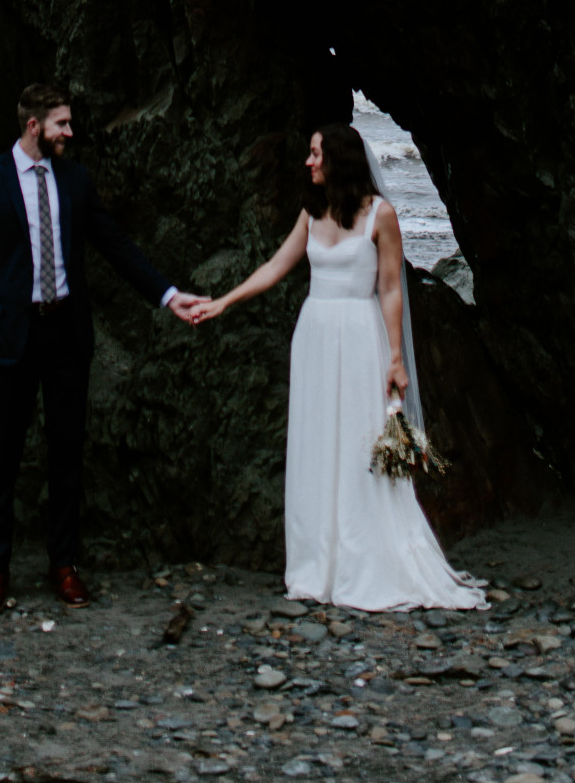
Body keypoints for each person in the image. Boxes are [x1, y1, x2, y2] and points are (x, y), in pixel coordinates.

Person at [193, 121, 486, 612]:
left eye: (315, 154)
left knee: (356, 443)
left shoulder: (381, 216)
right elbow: (275, 267)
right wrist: (224, 302)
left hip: (358, 335)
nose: (308, 162)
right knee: (316, 443)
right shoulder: (312, 213)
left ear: (338, 159)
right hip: (314, 335)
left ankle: (361, 564)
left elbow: (391, 288)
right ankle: (316, 567)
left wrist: (395, 358)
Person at [0, 81, 204, 613]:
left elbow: (116, 246)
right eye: (62, 123)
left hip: (66, 332)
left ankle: (64, 566)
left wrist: (167, 294)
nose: (70, 131)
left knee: (68, 452)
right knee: (4, 457)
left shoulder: (76, 180)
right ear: (33, 125)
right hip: (9, 335)